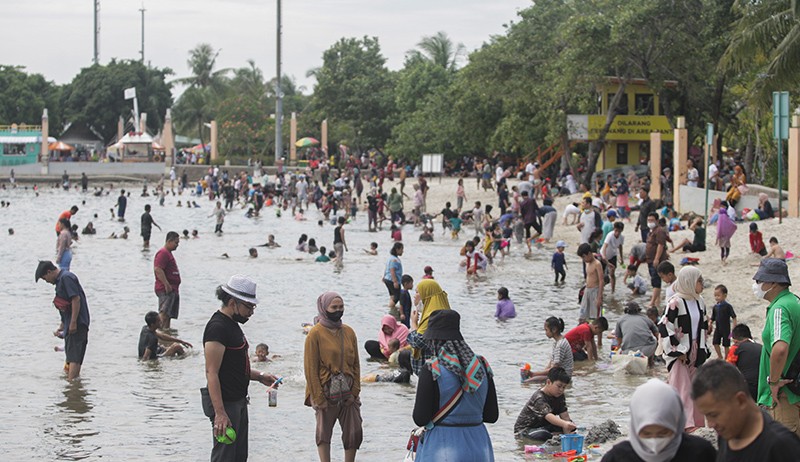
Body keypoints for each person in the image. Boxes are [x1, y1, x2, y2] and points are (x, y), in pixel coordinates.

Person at [202, 275, 279, 462]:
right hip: (225, 403)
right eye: (249, 306)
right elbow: (211, 373)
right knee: (224, 456)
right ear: (232, 302)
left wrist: (260, 376)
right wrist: (220, 413)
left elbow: (234, 366)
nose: (251, 312)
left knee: (239, 457)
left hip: (238, 400)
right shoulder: (217, 328)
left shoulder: (233, 325)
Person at [411, 310, 498, 461]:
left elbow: (420, 418)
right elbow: (491, 416)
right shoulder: (482, 366)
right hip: (480, 448)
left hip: (443, 448)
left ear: (434, 341)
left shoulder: (432, 369)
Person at [692, 360, 800, 461]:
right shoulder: (727, 434)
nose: (710, 424)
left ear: (740, 400)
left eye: (714, 415)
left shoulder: (780, 446)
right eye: (706, 416)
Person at [304, 292, 362, 462]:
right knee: (323, 433)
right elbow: (310, 369)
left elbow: (356, 364)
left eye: (341, 307)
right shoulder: (315, 334)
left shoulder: (349, 332)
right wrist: (319, 397)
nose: (338, 311)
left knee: (354, 431)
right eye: (334, 307)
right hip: (325, 390)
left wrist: (355, 391)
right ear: (324, 308)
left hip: (349, 391)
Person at [602, 378, 716, 462]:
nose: (654, 441)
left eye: (663, 433)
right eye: (646, 434)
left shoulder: (700, 453)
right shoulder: (617, 458)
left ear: (677, 423)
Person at [751, 259, 800, 433]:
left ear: (773, 283)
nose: (756, 285)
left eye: (759, 281)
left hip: (785, 395)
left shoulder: (780, 308)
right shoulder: (795, 301)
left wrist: (773, 382)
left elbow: (780, 349)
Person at [659, 266, 709, 431]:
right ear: (689, 282)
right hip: (679, 351)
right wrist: (677, 351)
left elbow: (703, 326)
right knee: (682, 387)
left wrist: (703, 348)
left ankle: (696, 422)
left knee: (695, 386)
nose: (702, 284)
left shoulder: (700, 301)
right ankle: (684, 424)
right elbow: (665, 327)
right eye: (699, 281)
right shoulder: (675, 302)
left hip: (696, 349)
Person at [36, 261, 91, 380]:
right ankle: (74, 388)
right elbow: (66, 307)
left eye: (45, 279)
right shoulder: (61, 281)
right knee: (72, 358)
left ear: (49, 272)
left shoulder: (66, 278)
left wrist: (73, 323)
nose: (47, 282)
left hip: (77, 324)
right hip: (72, 323)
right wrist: (62, 326)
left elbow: (76, 299)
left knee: (74, 359)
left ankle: (71, 387)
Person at [514, 367, 575, 441]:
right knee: (543, 434)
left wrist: (569, 428)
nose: (561, 390)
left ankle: (557, 436)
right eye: (559, 386)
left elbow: (565, 416)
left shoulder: (559, 396)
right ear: (549, 382)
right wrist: (565, 424)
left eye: (564, 387)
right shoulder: (539, 397)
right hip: (526, 430)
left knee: (570, 426)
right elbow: (548, 416)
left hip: (545, 426)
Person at [407, 279, 451, 375]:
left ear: (426, 295)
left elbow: (419, 342)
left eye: (418, 292)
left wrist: (414, 324)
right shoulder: (438, 312)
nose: (414, 296)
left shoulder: (434, 317)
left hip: (432, 372)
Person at [524, 317, 574, 382]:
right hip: (557, 373)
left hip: (562, 377)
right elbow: (552, 362)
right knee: (534, 379)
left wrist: (534, 374)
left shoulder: (560, 345)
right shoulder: (557, 342)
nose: (545, 333)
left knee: (527, 382)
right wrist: (540, 373)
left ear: (554, 330)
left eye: (546, 330)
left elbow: (554, 368)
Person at [727, 324, 762, 400]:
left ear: (735, 340)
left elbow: (727, 370)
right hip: (763, 388)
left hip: (747, 389)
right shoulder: (761, 347)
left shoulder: (735, 348)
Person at [154, 232, 181, 330]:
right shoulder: (163, 253)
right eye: (176, 242)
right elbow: (158, 269)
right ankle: (158, 333)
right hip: (166, 289)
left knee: (168, 315)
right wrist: (166, 284)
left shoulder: (168, 254)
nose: (177, 245)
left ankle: (166, 335)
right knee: (164, 313)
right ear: (169, 241)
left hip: (173, 289)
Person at [645, 212, 669, 308]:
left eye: (652, 220)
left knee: (656, 281)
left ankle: (652, 302)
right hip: (650, 259)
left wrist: (656, 258)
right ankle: (657, 302)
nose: (650, 222)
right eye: (649, 220)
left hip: (655, 260)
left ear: (657, 221)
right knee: (654, 280)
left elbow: (660, 245)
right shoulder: (652, 231)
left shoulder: (659, 231)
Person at [577, 243, 604, 322]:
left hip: (595, 291)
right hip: (587, 291)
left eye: (584, 257)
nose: (583, 259)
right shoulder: (587, 263)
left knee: (596, 318)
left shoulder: (597, 264)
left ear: (589, 254)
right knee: (583, 316)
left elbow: (601, 281)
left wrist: (599, 297)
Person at [710, 284, 737, 359]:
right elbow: (713, 317)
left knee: (726, 344)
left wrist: (734, 328)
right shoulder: (715, 307)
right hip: (718, 328)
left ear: (725, 295)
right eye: (715, 296)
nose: (716, 297)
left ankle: (727, 357)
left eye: (718, 295)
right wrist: (710, 323)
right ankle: (720, 356)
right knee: (715, 342)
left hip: (727, 329)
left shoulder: (728, 306)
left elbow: (734, 317)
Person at [601, 221, 625, 293]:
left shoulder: (621, 237)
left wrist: (621, 257)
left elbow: (620, 247)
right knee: (601, 273)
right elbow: (605, 246)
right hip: (604, 255)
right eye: (616, 230)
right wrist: (604, 256)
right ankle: (601, 288)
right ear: (614, 229)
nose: (617, 233)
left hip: (613, 255)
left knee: (612, 273)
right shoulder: (610, 235)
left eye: (619, 231)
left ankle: (612, 290)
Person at [383, 242, 404, 308]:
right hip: (392, 280)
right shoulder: (394, 260)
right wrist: (395, 282)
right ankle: (391, 308)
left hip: (388, 278)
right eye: (401, 249)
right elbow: (392, 270)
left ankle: (391, 308)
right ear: (397, 249)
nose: (402, 251)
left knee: (392, 295)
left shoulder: (391, 258)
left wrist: (384, 276)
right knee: (397, 296)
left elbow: (387, 267)